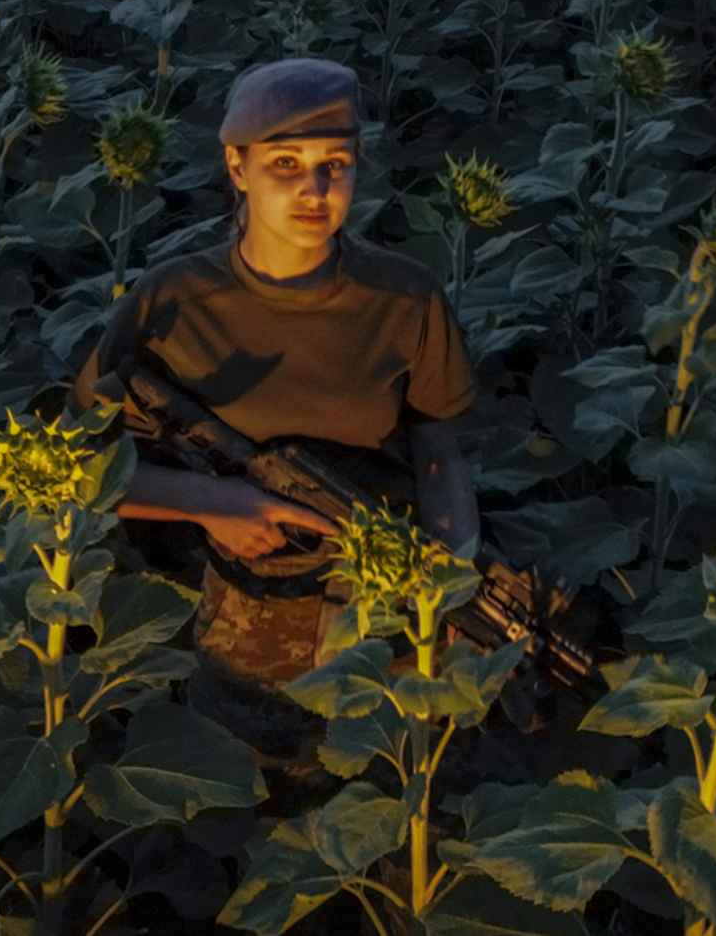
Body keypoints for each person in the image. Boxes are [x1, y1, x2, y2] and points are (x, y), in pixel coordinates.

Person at [68, 56, 480, 777]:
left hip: (374, 598)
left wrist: (452, 561)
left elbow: (436, 440)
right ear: (237, 168)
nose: (315, 190)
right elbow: (75, 466)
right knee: (245, 788)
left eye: (336, 165)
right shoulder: (172, 303)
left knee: (392, 783)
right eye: (285, 163)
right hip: (237, 607)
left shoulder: (406, 296)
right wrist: (211, 501)